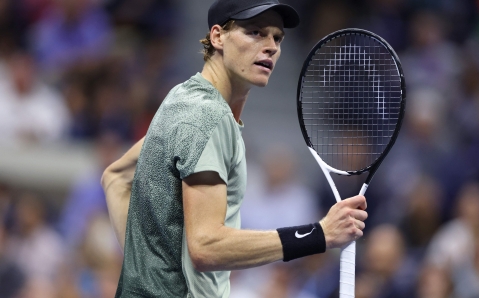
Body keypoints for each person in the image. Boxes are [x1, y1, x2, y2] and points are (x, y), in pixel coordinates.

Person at [101, 0, 368, 297]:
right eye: (255, 32)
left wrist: (148, 273)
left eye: (277, 38)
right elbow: (206, 246)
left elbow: (115, 177)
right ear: (217, 37)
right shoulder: (208, 118)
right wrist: (318, 235)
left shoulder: (182, 99)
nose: (271, 47)